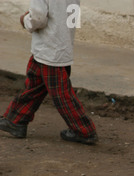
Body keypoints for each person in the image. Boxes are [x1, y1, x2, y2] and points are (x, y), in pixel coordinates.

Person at [0, 0, 98, 145]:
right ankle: (15, 120)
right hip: (61, 46)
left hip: (49, 48)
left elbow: (38, 18)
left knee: (61, 94)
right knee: (35, 84)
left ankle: (84, 130)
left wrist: (25, 20)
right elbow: (73, 16)